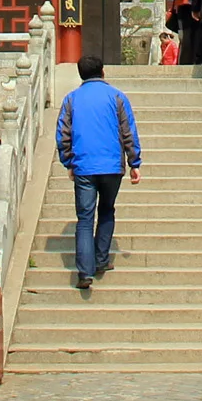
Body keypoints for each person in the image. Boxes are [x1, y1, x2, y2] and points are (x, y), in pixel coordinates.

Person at [55, 54, 142, 289]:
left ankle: (85, 272)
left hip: (84, 166)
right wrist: (134, 163)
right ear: (103, 71)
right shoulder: (117, 97)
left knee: (84, 219)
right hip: (112, 166)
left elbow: (63, 134)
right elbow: (128, 131)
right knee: (106, 211)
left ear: (80, 74)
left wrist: (68, 162)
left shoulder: (71, 99)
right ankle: (101, 260)